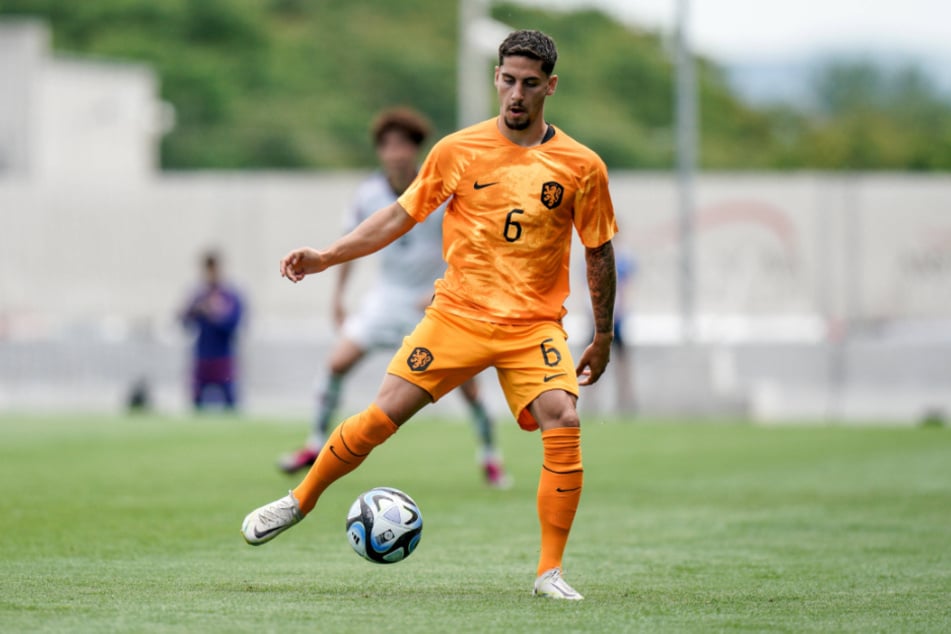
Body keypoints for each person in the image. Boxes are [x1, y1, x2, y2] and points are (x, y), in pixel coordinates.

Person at [241, 30, 617, 601]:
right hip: (457, 317)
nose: (517, 94)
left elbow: (598, 250)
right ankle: (299, 501)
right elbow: (396, 218)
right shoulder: (456, 150)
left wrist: (604, 333)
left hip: (532, 327)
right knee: (382, 415)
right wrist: (326, 256)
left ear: (551, 87)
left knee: (562, 418)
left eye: (530, 84)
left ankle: (549, 572)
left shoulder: (582, 166)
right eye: (509, 80)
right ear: (497, 78)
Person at [277, 107, 510, 488]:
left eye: (404, 145)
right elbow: (354, 242)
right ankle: (314, 443)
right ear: (380, 151)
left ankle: (490, 457)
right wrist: (338, 296)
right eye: (388, 145)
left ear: (416, 150)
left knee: (468, 387)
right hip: (385, 300)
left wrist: (449, 287)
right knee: (337, 364)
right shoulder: (368, 195)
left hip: (433, 304)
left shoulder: (440, 190)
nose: (396, 153)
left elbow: (470, 247)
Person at [180, 251, 245, 410]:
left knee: (230, 402)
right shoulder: (199, 295)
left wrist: (216, 314)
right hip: (203, 357)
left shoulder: (230, 296)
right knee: (197, 403)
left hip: (223, 358)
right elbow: (183, 321)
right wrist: (196, 310)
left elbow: (234, 324)